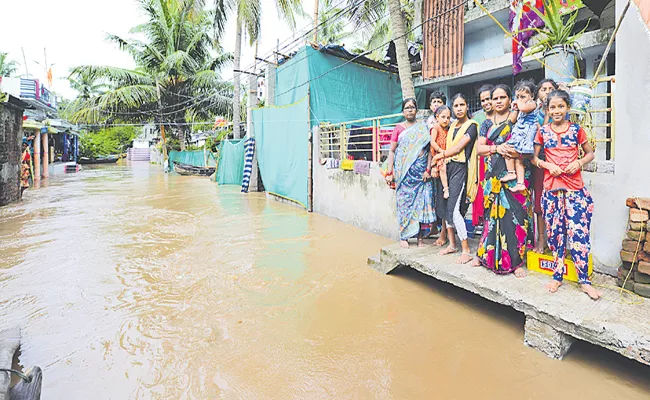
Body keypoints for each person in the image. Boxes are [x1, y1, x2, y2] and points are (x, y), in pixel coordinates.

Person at [533, 89, 598, 300]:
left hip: (574, 189)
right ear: (547, 109)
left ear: (567, 108)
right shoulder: (542, 131)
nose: (557, 110)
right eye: (552, 107)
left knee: (579, 233)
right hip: (552, 188)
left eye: (561, 106)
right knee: (555, 233)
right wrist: (547, 165)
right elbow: (533, 159)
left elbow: (590, 153)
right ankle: (557, 275)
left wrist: (578, 162)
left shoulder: (577, 130)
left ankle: (584, 281)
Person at [472, 85, 534, 278]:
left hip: (516, 175)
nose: (498, 101)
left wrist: (512, 151)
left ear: (510, 99)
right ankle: (486, 256)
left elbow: (527, 145)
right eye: (494, 98)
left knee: (515, 218)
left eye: (502, 97)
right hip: (493, 176)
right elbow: (479, 150)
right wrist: (497, 149)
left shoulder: (518, 121)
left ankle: (516, 262)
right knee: (492, 218)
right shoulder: (485, 124)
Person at [432, 94, 480, 264]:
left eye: (462, 104)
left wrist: (440, 155)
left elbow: (459, 147)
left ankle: (466, 249)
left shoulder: (472, 126)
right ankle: (452, 245)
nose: (459, 108)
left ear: (467, 106)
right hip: (448, 167)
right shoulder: (452, 126)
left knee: (454, 210)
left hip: (460, 169)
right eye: (456, 105)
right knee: (446, 209)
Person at [385, 98, 436, 248]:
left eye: (412, 107)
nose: (409, 110)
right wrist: (390, 172)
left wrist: (428, 169)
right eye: (407, 108)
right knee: (404, 205)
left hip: (420, 176)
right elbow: (392, 151)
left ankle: (420, 238)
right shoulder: (399, 129)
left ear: (416, 110)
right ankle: (404, 237)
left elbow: (429, 152)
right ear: (403, 111)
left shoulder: (423, 128)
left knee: (420, 206)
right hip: (404, 176)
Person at [531, 78, 558, 254]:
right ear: (538, 94)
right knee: (539, 204)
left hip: (558, 163)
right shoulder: (534, 113)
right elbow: (542, 132)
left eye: (550, 88)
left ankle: (556, 241)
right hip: (539, 162)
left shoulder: (561, 112)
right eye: (543, 89)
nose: (547, 91)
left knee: (557, 203)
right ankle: (541, 239)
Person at [501, 80, 538, 192]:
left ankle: (515, 176)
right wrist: (515, 108)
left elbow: (524, 108)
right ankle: (516, 178)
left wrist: (518, 102)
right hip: (519, 132)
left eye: (523, 96)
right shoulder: (521, 106)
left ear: (531, 96)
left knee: (516, 155)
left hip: (526, 134)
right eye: (517, 96)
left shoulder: (532, 104)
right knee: (512, 154)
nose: (519, 99)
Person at [472, 84, 495, 231]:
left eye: (489, 99)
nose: (486, 103)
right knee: (483, 193)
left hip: (499, 160)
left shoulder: (504, 115)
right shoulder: (478, 118)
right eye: (483, 100)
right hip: (481, 160)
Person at [430, 105, 451, 199]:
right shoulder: (436, 127)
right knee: (442, 167)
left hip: (446, 154)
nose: (445, 120)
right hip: (438, 153)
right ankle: (446, 188)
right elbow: (432, 142)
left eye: (448, 117)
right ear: (437, 117)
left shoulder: (448, 129)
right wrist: (440, 151)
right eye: (443, 117)